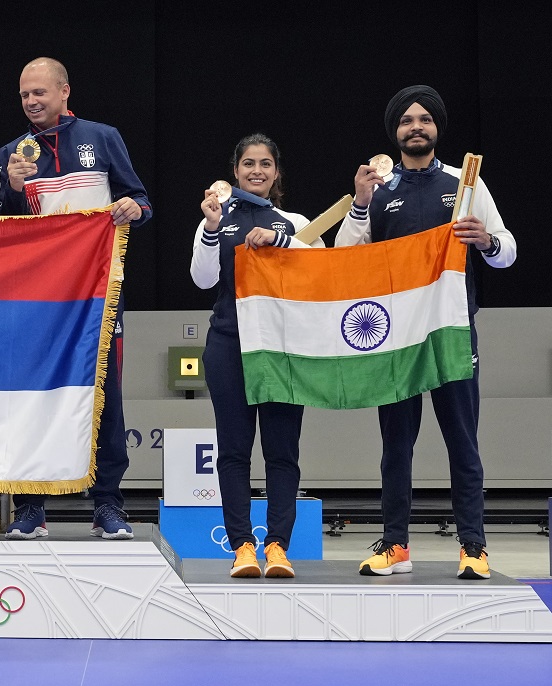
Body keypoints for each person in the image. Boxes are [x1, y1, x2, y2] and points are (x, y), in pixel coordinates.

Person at [334, 85, 516, 580]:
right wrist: (360, 203)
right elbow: (348, 258)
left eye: (425, 120)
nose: (416, 127)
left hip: (452, 334)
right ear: (395, 132)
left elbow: (508, 249)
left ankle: (473, 548)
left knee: (463, 441)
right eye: (407, 121)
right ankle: (395, 544)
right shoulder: (379, 189)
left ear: (437, 128)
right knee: (396, 445)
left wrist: (487, 240)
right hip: (395, 339)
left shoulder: (466, 183)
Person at [0, 57, 149, 542]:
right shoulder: (11, 154)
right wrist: (15, 189)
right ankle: (30, 507)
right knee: (31, 399)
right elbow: (4, 230)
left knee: (105, 400)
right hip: (36, 302)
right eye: (24, 95)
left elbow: (140, 201)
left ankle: (107, 505)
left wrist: (132, 208)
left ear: (64, 91)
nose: (31, 102)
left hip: (98, 297)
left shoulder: (102, 137)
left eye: (39, 92)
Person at [190, 134, 323, 578]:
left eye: (265, 163)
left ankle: (278, 547)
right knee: (233, 451)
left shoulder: (294, 221)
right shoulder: (216, 216)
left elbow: (320, 267)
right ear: (236, 170)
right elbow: (202, 280)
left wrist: (283, 240)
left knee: (282, 452)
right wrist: (210, 229)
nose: (257, 171)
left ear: (276, 172)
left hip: (282, 348)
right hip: (228, 344)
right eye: (249, 163)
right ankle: (242, 546)